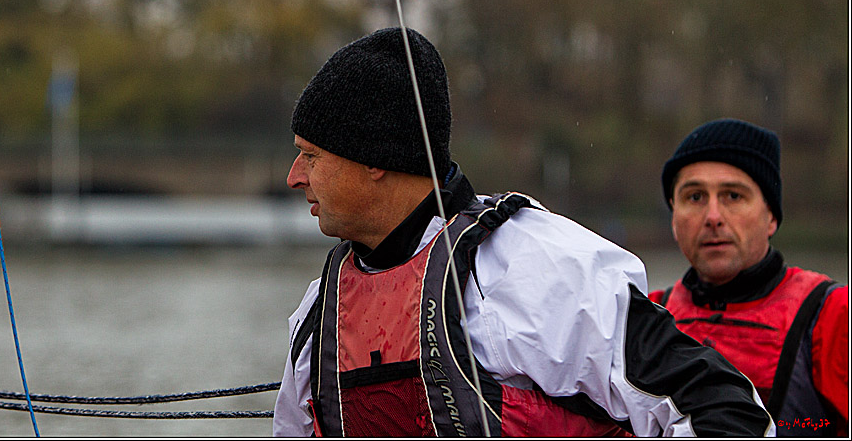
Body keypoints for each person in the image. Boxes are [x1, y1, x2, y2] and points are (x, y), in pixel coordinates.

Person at [272, 27, 773, 437]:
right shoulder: (320, 311)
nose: (294, 176)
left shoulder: (535, 268)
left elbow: (727, 411)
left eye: (311, 156)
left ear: (375, 161)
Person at [651, 118, 848, 437]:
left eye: (733, 196)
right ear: (673, 217)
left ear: (771, 216)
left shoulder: (833, 314)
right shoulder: (648, 315)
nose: (713, 217)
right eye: (695, 197)